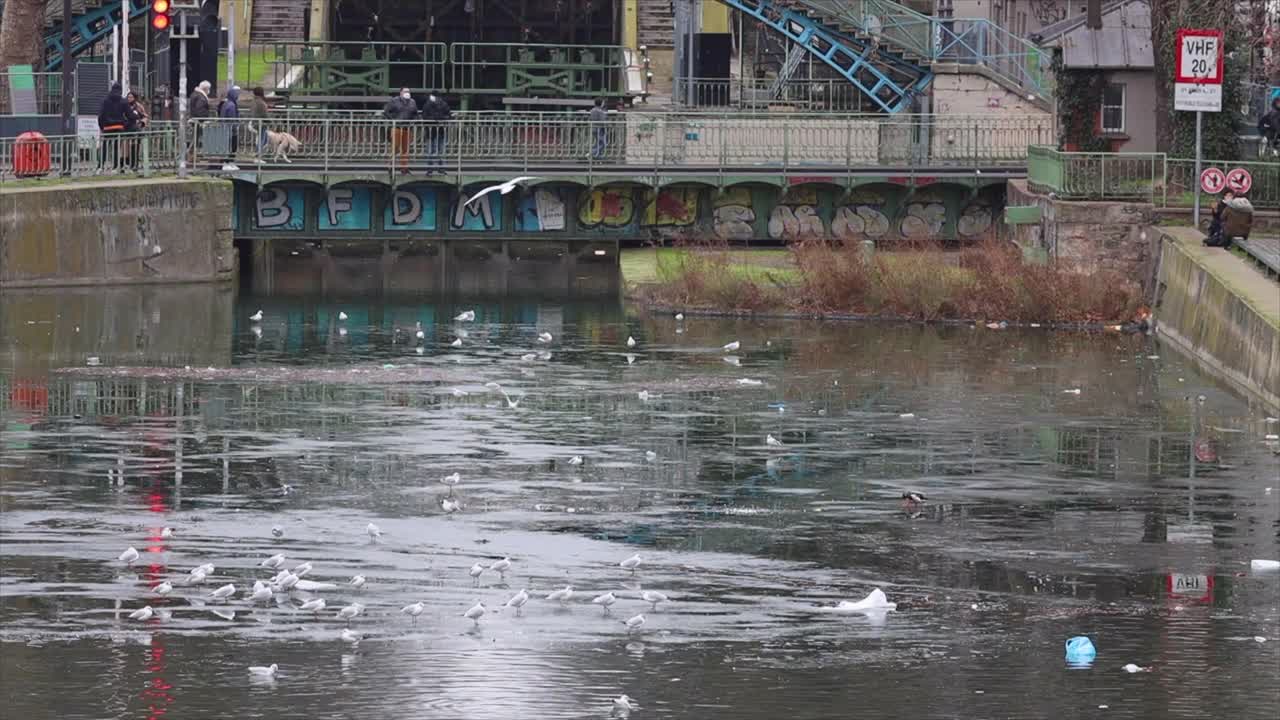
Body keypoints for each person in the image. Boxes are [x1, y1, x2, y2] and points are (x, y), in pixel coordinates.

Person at [97, 82, 136, 172]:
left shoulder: (105, 100)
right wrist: (128, 122)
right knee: (116, 148)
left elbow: (101, 115)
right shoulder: (123, 101)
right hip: (118, 128)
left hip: (107, 128)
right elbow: (130, 115)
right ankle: (115, 167)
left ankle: (100, 167)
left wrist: (102, 127)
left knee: (105, 148)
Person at [383, 88, 419, 174]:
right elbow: (386, 111)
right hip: (397, 127)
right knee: (394, 148)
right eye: (405, 91)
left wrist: (413, 120)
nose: (407, 93)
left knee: (405, 149)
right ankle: (390, 166)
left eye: (408, 91)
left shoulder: (412, 102)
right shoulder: (394, 101)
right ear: (401, 92)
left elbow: (415, 113)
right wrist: (393, 120)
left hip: (407, 128)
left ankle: (404, 168)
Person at [422, 92, 451, 174]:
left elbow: (448, 115)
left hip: (438, 130)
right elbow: (425, 117)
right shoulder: (429, 105)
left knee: (438, 150)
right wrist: (438, 119)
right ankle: (432, 169)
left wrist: (440, 119)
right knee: (434, 150)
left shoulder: (430, 104)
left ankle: (438, 168)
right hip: (432, 130)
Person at [124, 91, 150, 171]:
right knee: (125, 149)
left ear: (135, 98)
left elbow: (145, 116)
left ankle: (135, 164)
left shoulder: (139, 106)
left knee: (135, 148)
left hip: (136, 129)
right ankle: (126, 164)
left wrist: (142, 123)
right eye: (128, 97)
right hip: (126, 129)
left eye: (131, 97)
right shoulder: (124, 105)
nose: (129, 99)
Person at [219, 86, 241, 171]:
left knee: (229, 146)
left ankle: (229, 163)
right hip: (231, 130)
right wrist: (235, 126)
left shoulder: (226, 103)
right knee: (232, 146)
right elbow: (232, 118)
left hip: (226, 129)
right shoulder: (231, 105)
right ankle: (227, 163)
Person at [249, 86, 270, 155]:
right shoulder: (261, 103)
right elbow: (265, 115)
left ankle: (258, 153)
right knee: (262, 140)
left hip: (254, 122)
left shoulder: (253, 101)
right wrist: (270, 122)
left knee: (263, 139)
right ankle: (258, 155)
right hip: (260, 124)